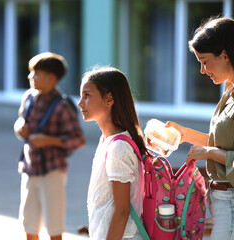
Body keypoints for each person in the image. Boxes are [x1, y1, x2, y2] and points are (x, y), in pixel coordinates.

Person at [166, 17, 234, 239]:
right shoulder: (231, 91)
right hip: (223, 200)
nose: (201, 70)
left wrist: (206, 152)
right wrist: (186, 135)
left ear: (225, 55)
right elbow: (224, 144)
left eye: (205, 61)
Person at [14, 52, 85, 240]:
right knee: (29, 222)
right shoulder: (28, 97)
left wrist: (48, 140)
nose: (30, 77)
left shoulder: (63, 105)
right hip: (30, 168)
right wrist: (20, 127)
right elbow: (20, 120)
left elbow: (78, 139)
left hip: (52, 171)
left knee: (53, 224)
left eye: (36, 73)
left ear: (52, 78)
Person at [78, 66, 147, 240]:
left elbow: (122, 211)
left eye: (87, 95)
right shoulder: (108, 140)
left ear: (109, 99)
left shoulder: (119, 147)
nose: (80, 103)